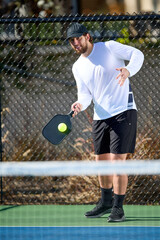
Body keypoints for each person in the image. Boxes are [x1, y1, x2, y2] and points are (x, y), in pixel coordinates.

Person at [66, 23, 144, 222]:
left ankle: (118, 208)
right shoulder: (77, 66)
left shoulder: (108, 47)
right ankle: (105, 202)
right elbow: (85, 96)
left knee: (118, 163)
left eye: (78, 38)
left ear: (87, 36)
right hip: (101, 117)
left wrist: (127, 71)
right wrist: (79, 105)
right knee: (101, 163)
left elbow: (138, 54)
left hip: (123, 112)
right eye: (71, 41)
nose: (75, 43)